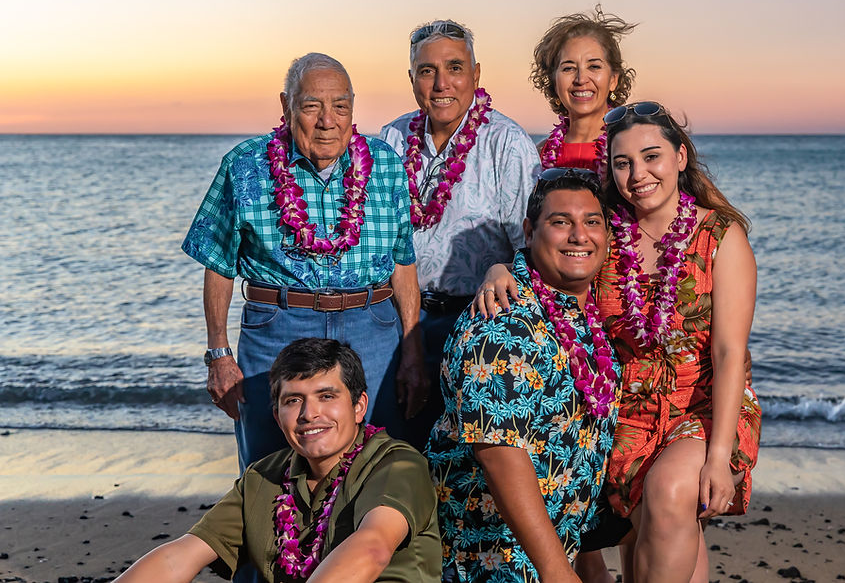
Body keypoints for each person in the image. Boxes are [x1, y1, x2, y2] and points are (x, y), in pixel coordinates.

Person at [474, 103, 761, 583]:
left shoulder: (719, 237)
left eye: (652, 157)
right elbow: (553, 258)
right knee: (652, 530)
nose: (638, 174)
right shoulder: (607, 230)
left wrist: (718, 454)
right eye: (623, 163)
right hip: (623, 409)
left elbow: (730, 352)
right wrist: (499, 268)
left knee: (671, 490)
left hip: (704, 406)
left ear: (681, 158)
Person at [182, 53, 424, 473]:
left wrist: (412, 348)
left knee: (381, 464)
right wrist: (218, 354)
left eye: (341, 106)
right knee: (268, 466)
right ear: (286, 105)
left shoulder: (386, 164)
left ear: (353, 107)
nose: (328, 120)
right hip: (277, 325)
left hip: (373, 328)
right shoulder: (245, 165)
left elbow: (403, 264)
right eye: (312, 106)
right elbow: (218, 261)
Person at [113, 338, 441, 583]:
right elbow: (179, 556)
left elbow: (372, 548)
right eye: (293, 400)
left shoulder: (397, 464)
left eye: (326, 397)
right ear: (277, 414)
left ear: (359, 406)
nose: (309, 414)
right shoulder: (264, 478)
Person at [427, 168, 620, 582]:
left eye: (592, 222)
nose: (579, 236)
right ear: (530, 231)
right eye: (560, 222)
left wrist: (586, 562)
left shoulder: (579, 309)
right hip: (492, 559)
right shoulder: (504, 324)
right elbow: (499, 454)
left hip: (550, 550)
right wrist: (555, 571)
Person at [379, 20, 540, 449]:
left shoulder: (507, 144)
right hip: (396, 322)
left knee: (465, 461)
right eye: (427, 70)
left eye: (454, 67)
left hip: (478, 323)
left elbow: (533, 253)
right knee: (396, 451)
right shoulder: (391, 140)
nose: (441, 83)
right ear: (411, 78)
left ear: (476, 74)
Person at [531, 7, 636, 172]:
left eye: (594, 66)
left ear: (613, 80)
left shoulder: (632, 148)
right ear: (553, 81)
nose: (581, 79)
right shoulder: (537, 156)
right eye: (568, 68)